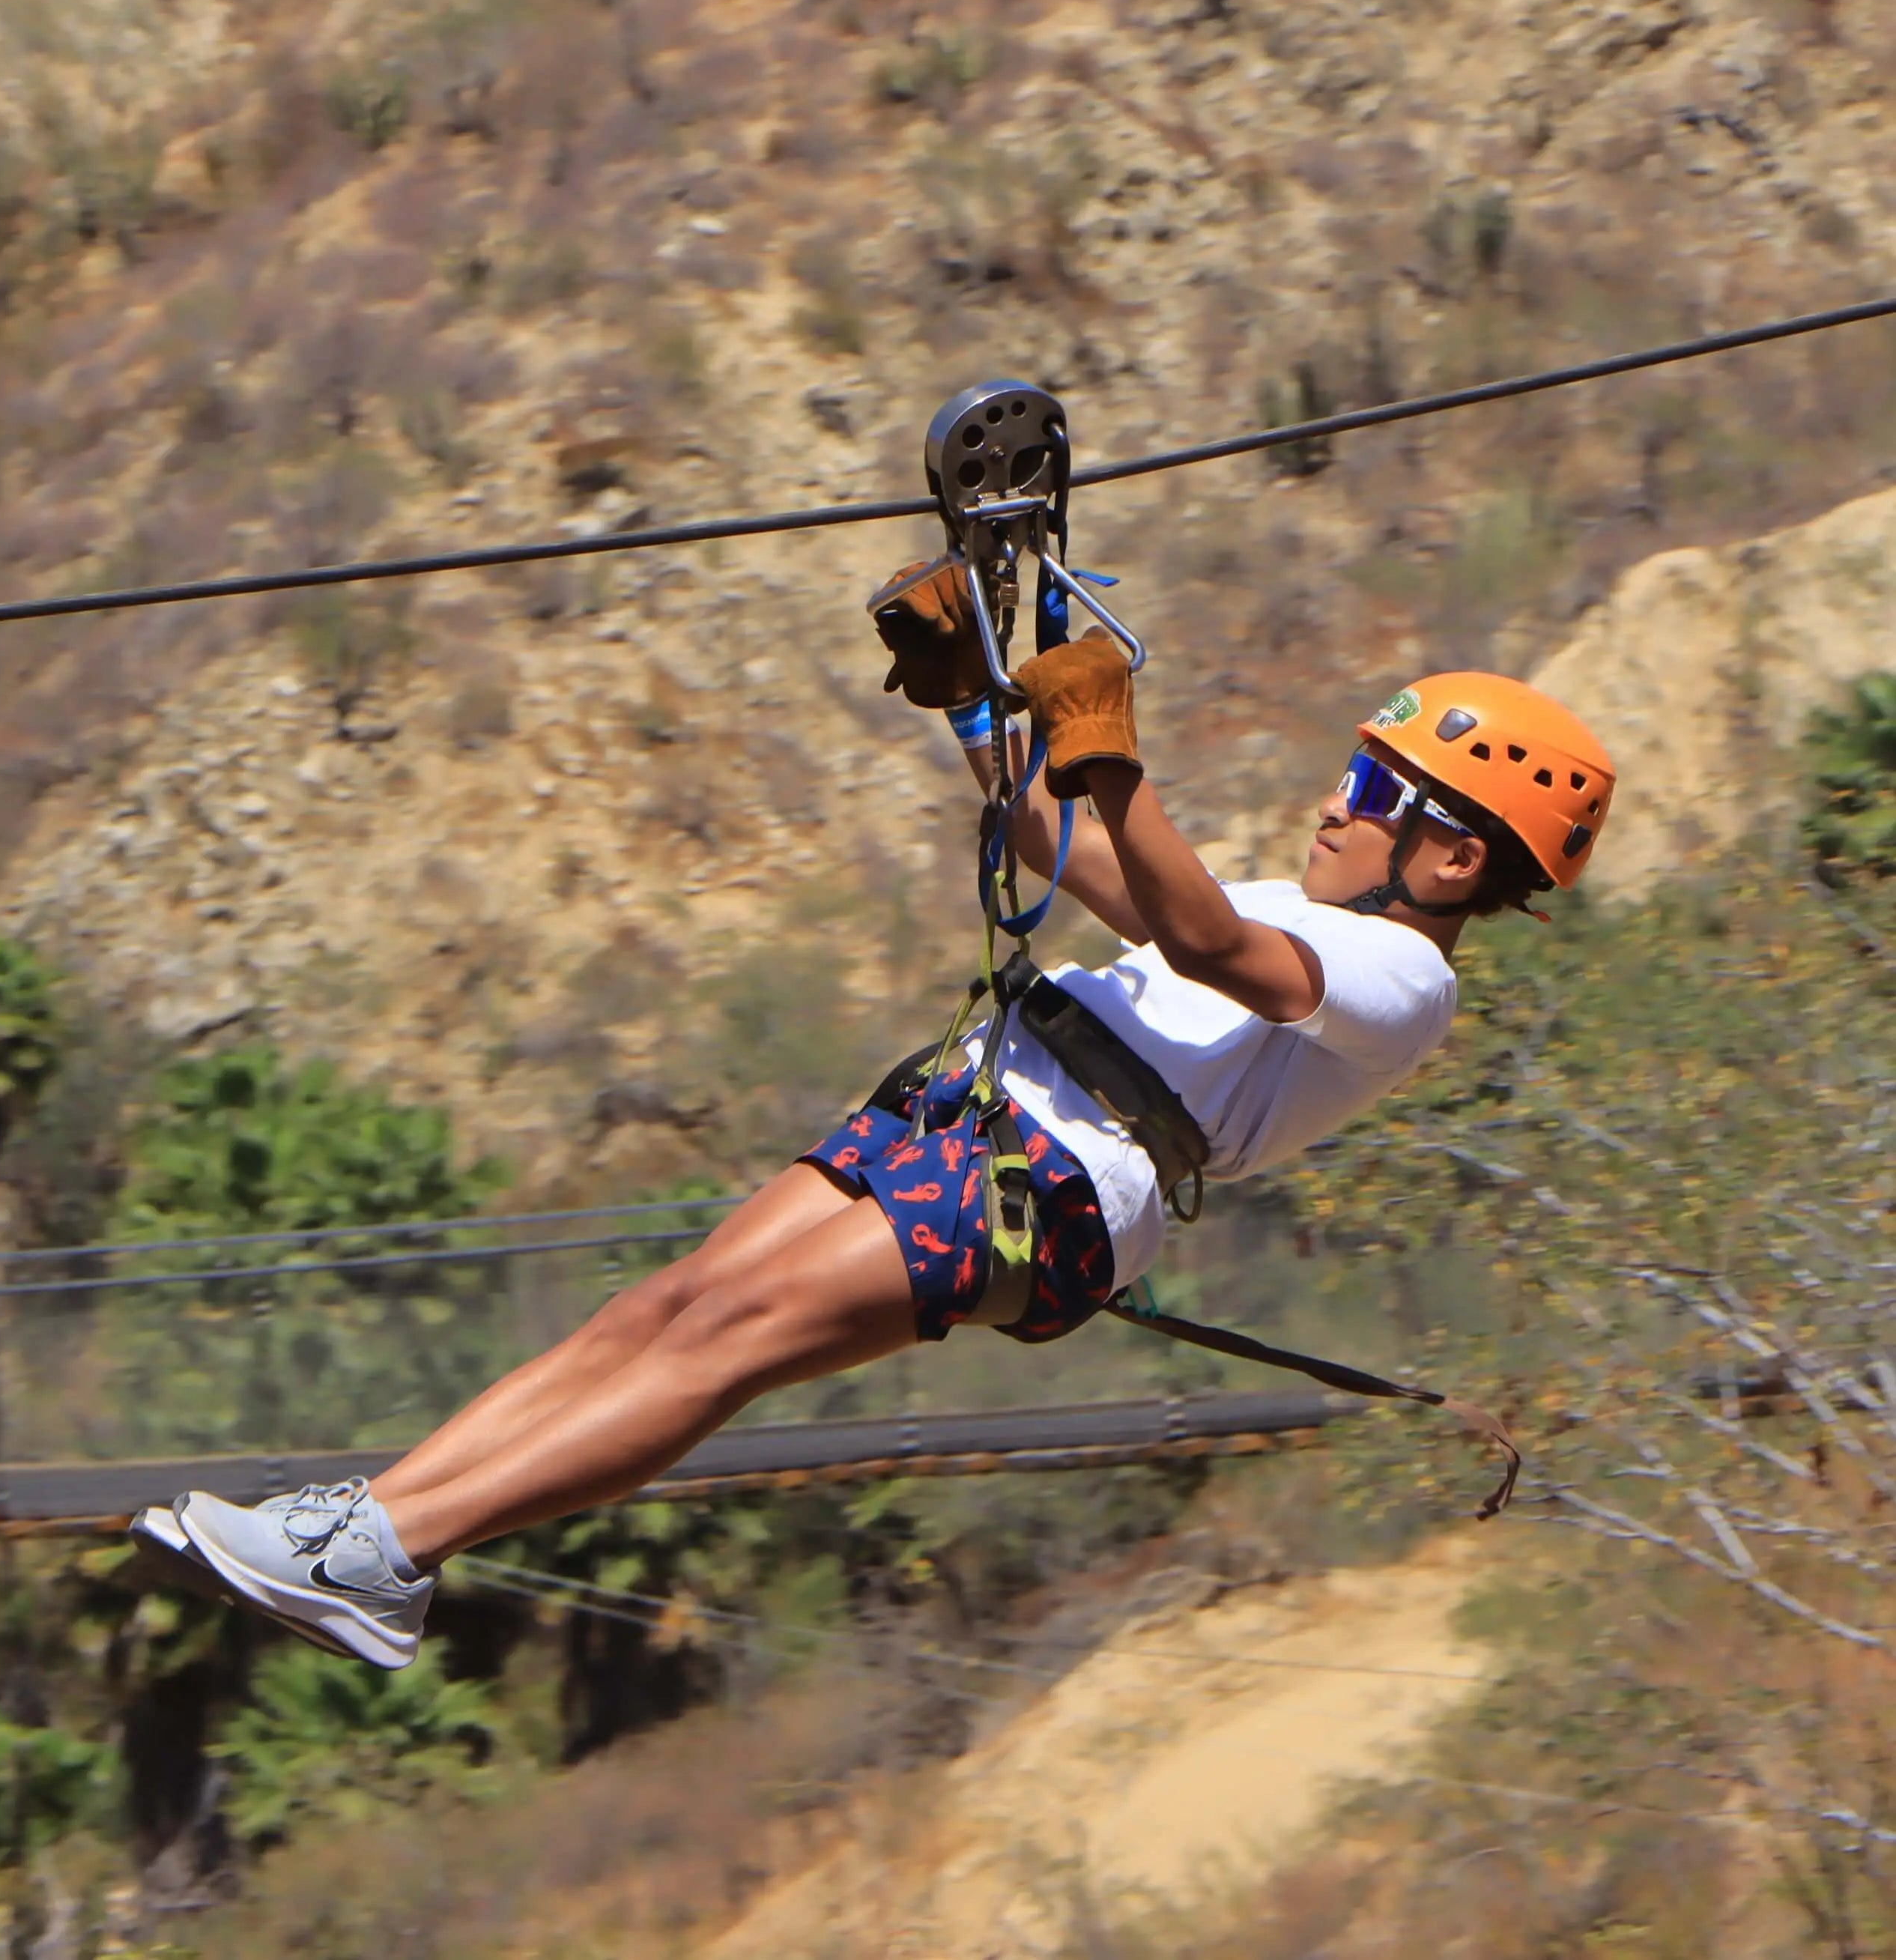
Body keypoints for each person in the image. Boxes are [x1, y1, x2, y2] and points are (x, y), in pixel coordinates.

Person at [134, 563, 1616, 1669]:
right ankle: (366, 1535)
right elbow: (1074, 854)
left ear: (1446, 864)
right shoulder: (1315, 903)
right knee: (679, 1301)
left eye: (1376, 787)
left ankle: (397, 1544)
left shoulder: (1405, 979)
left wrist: (1116, 751)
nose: (1337, 801)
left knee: (723, 1344)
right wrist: (983, 699)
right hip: (991, 1094)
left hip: (1061, 1175)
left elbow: (1208, 946)